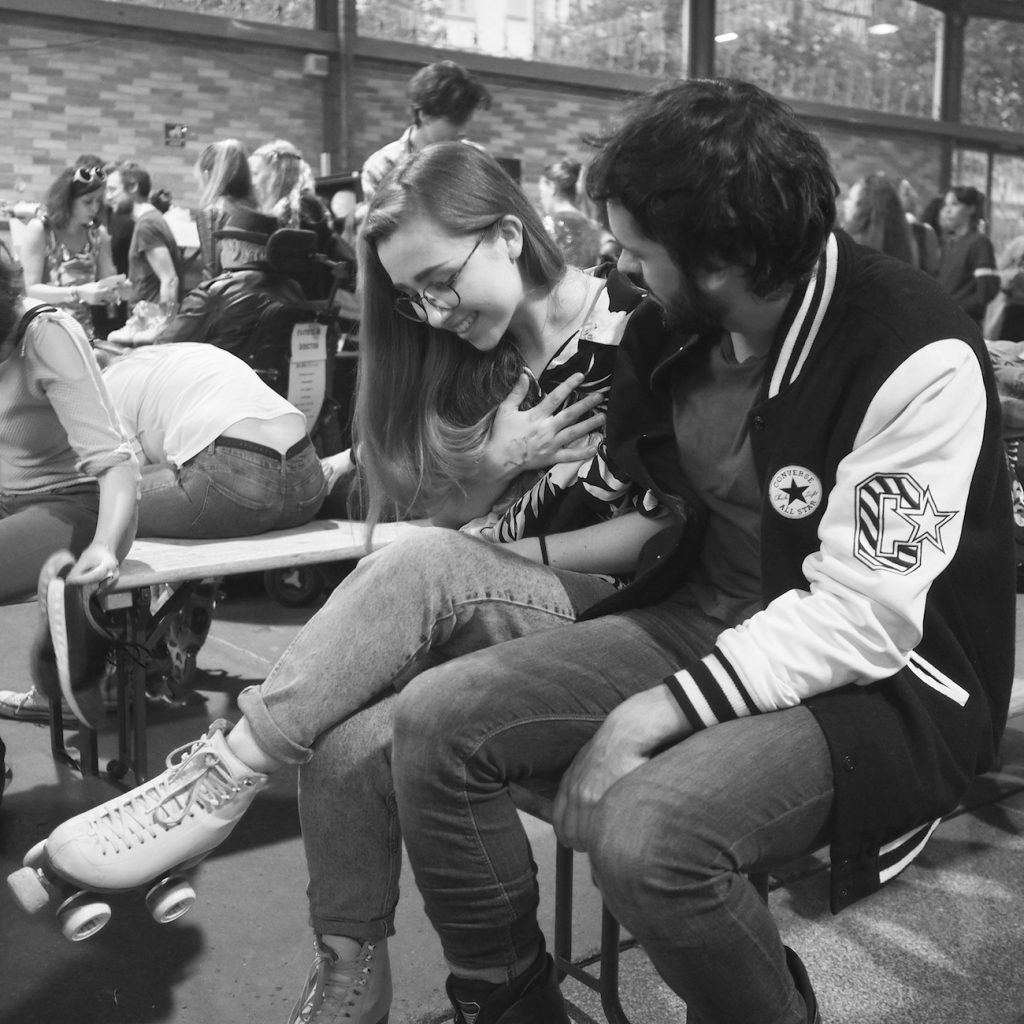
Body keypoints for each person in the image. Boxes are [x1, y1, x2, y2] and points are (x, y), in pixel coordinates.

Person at [375, 79, 1013, 1024]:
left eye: (636, 250)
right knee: (433, 719)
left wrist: (648, 716)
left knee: (650, 840)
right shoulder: (669, 330)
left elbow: (865, 618)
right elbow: (646, 506)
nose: (614, 265)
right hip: (703, 616)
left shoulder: (912, 349)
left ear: (723, 257)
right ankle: (506, 1000)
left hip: (885, 680)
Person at [34, 141, 664, 1024]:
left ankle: (220, 774)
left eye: (441, 281)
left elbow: (662, 531)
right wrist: (493, 464)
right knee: (344, 734)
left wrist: (497, 559)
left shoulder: (633, 327)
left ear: (508, 235)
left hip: (609, 611)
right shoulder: (474, 358)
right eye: (414, 297)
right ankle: (351, 971)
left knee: (416, 565)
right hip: (485, 601)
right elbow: (440, 512)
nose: (434, 312)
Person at [0, 257, 138, 723]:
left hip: (80, 502)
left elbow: (115, 462)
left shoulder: (47, 336)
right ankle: (68, 626)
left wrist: (104, 546)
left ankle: (71, 639)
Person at [100, 342, 327, 539]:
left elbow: (128, 474)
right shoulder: (180, 353)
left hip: (231, 483)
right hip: (307, 485)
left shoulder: (104, 385)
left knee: (96, 503)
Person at [157, 208, 320, 395]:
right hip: (275, 397)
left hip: (213, 396)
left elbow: (164, 350)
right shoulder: (294, 290)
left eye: (223, 248)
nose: (221, 255)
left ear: (234, 250)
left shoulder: (214, 293)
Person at [360, 59, 492, 207]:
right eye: (454, 121)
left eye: (465, 120)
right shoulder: (382, 167)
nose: (463, 131)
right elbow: (377, 221)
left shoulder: (478, 161)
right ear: (424, 115)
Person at [19, 165, 129, 341]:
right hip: (43, 333)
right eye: (87, 202)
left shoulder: (97, 234)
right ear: (67, 200)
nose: (95, 208)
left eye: (98, 201)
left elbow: (107, 283)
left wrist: (120, 290)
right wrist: (77, 292)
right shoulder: (40, 229)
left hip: (82, 334)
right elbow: (28, 289)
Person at [249, 139, 343, 300]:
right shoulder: (306, 204)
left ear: (277, 174)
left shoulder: (295, 208)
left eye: (256, 174)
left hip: (299, 302)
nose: (252, 181)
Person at [105, 161, 184, 314]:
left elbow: (170, 280)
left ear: (133, 187)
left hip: (150, 323)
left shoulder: (147, 225)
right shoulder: (148, 221)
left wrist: (162, 323)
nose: (108, 197)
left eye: (113, 190)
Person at [192, 138, 257, 279]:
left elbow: (212, 271)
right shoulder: (258, 208)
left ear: (207, 175)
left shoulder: (211, 213)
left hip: (227, 289)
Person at [937, 184, 1000, 326]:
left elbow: (986, 291)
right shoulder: (950, 242)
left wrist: (958, 309)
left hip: (964, 325)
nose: (948, 210)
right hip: (943, 321)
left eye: (954, 204)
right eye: (946, 205)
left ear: (971, 208)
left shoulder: (979, 243)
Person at [538, 157, 605, 269]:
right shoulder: (593, 227)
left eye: (541, 192)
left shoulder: (547, 226)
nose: (541, 199)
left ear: (552, 187)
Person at [840, 171, 915, 264]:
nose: (845, 203)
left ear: (863, 207)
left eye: (850, 199)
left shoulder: (850, 248)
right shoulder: (905, 240)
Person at [898, 177, 941, 275]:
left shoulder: (924, 230)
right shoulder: (923, 231)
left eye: (912, 191)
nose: (914, 195)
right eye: (907, 193)